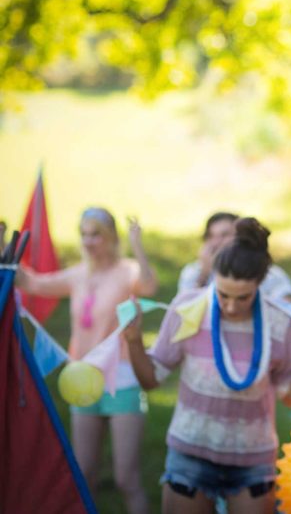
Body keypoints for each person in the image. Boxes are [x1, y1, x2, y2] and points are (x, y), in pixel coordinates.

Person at [124, 217, 291, 514]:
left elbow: (290, 394)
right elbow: (152, 378)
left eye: (243, 297)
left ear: (260, 284)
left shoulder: (277, 320)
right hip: (191, 455)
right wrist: (133, 342)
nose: (231, 306)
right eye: (223, 295)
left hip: (252, 462)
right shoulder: (188, 309)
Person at [17, 208, 157, 514]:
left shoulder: (127, 270)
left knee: (126, 479)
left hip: (122, 380)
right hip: (81, 380)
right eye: (84, 234)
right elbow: (33, 284)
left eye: (96, 234)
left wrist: (138, 245)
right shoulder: (79, 274)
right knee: (83, 475)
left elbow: (148, 286)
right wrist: (7, 256)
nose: (89, 241)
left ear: (110, 238)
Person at [178, 212, 291, 302]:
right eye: (211, 236)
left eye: (224, 235)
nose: (216, 243)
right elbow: (182, 315)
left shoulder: (272, 274)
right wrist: (203, 275)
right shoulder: (193, 272)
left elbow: (289, 318)